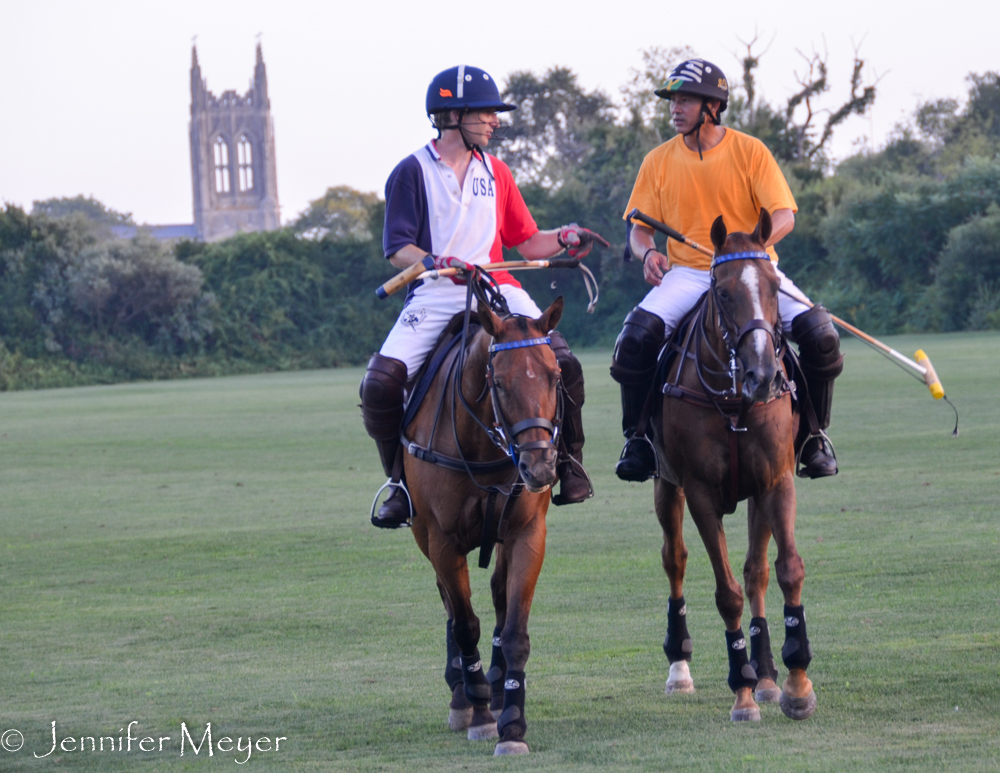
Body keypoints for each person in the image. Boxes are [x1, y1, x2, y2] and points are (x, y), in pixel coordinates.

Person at [361, 65, 607, 528]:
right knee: (380, 383)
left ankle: (570, 462)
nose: (495, 121)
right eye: (487, 113)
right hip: (438, 293)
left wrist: (566, 237)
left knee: (564, 363)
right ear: (453, 115)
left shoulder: (497, 172)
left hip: (499, 291)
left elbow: (529, 241)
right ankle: (398, 483)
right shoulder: (411, 171)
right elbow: (398, 249)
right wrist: (433, 259)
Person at [611, 58, 843, 482]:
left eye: (685, 100)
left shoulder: (750, 150)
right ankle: (639, 438)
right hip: (690, 272)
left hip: (753, 271)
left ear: (712, 106)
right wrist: (647, 255)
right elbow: (638, 231)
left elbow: (784, 214)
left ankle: (813, 435)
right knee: (634, 339)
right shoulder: (658, 161)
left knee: (822, 335)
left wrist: (752, 250)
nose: (675, 108)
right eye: (673, 101)